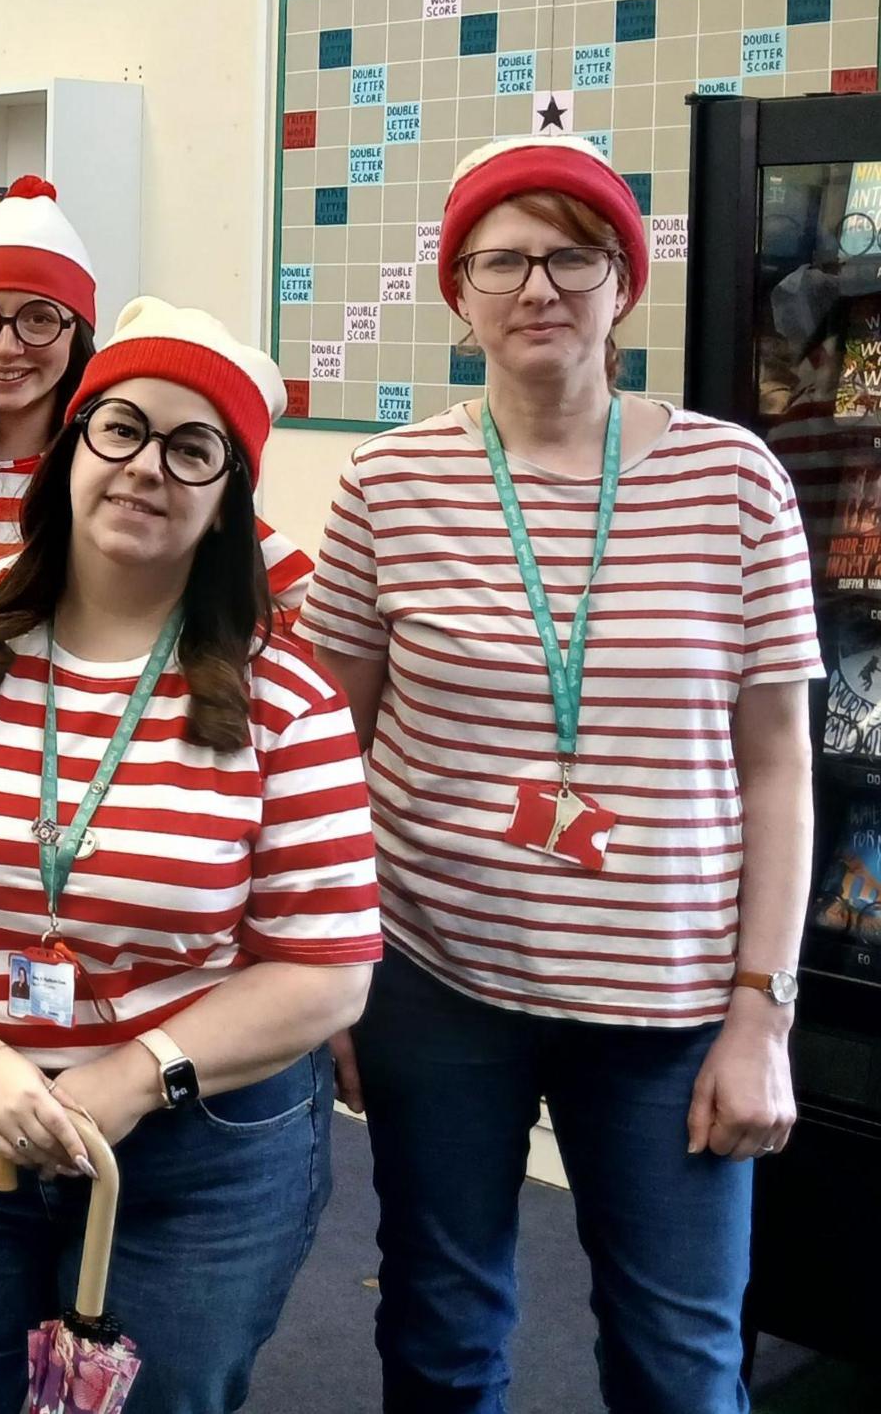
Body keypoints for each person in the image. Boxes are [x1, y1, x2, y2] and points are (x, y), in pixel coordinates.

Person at [298, 135, 819, 1414]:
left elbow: (777, 766)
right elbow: (328, 753)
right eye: (501, 257)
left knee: (682, 1360)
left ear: (622, 281)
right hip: (437, 981)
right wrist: (338, 980)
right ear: (459, 291)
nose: (538, 285)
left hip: (674, 998)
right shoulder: (388, 482)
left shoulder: (732, 480)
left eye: (571, 253)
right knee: (438, 1324)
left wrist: (763, 1009)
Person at [0, 298, 381, 1414]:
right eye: (119, 427)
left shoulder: (286, 694)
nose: (145, 467)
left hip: (197, 1147)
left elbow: (325, 971)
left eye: (192, 447)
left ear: (228, 501)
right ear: (71, 446)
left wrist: (133, 1072)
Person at [0, 175, 316, 620]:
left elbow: (308, 604)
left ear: (78, 334)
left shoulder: (116, 477)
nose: (5, 346)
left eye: (39, 319)